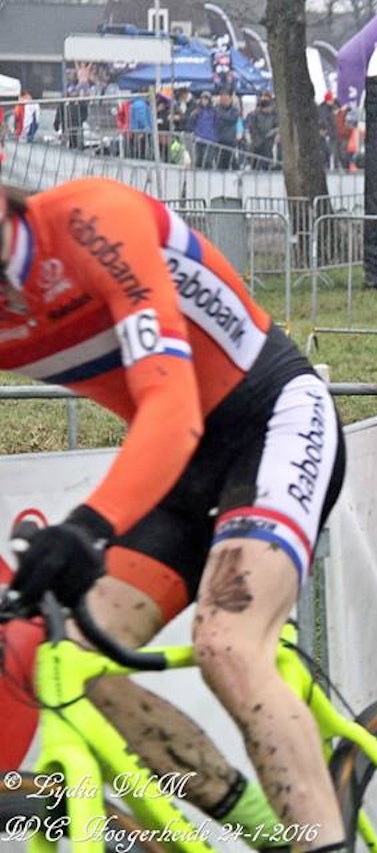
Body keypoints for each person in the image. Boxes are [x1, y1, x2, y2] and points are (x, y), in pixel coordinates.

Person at [0, 178, 347, 850]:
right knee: (77, 659)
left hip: (270, 419)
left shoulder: (89, 222)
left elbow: (172, 406)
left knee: (227, 641)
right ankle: (266, 831)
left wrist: (87, 526)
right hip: (180, 475)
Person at [245, 91, 279, 168]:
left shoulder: (274, 114)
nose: (271, 108)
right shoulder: (254, 115)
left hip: (269, 143)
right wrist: (258, 139)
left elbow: (277, 125)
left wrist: (275, 132)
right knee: (254, 164)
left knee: (266, 163)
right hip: (257, 144)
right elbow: (252, 128)